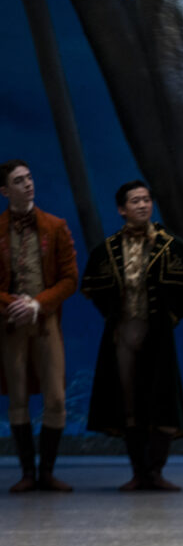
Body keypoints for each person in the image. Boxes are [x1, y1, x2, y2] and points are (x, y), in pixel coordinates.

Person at [81, 181, 183, 491]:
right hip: (122, 336)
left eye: (146, 199)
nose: (142, 205)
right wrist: (116, 318)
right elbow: (94, 288)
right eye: (135, 201)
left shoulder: (171, 246)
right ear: (122, 209)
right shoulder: (109, 249)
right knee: (130, 403)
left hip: (158, 335)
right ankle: (139, 473)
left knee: (161, 401)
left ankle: (156, 472)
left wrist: (169, 318)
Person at [0, 160, 78, 493]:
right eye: (19, 180)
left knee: (57, 398)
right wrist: (13, 305)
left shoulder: (55, 226)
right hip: (11, 324)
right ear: (5, 191)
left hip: (45, 321)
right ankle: (28, 472)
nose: (28, 184)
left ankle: (46, 470)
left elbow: (70, 278)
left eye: (30, 177)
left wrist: (37, 304)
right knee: (17, 398)